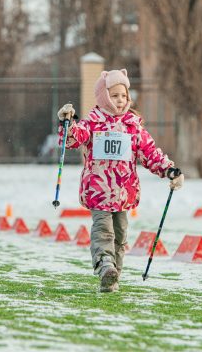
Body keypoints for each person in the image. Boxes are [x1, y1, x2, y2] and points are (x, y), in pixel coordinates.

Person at [57, 69, 184, 292]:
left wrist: (169, 169)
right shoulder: (93, 123)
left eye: (124, 96)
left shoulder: (133, 126)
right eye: (114, 95)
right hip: (98, 191)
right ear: (104, 96)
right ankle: (105, 265)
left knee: (120, 236)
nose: (120, 100)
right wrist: (68, 124)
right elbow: (75, 138)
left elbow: (150, 152)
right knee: (103, 230)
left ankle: (113, 276)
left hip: (123, 193)